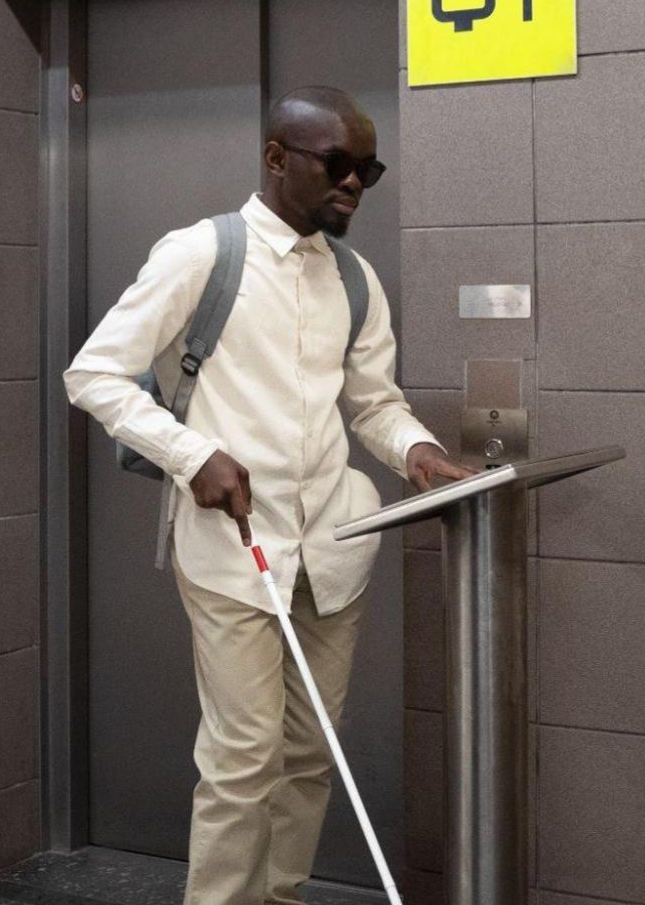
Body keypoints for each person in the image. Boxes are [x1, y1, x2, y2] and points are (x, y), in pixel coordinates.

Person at [64, 85, 475, 904]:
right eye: (338, 164)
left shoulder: (354, 279)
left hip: (333, 544)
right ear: (277, 157)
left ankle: (279, 897)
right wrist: (193, 454)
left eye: (368, 169)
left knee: (309, 752)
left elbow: (372, 403)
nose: (354, 183)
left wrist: (418, 448)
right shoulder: (201, 254)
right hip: (232, 552)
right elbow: (94, 373)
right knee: (243, 756)